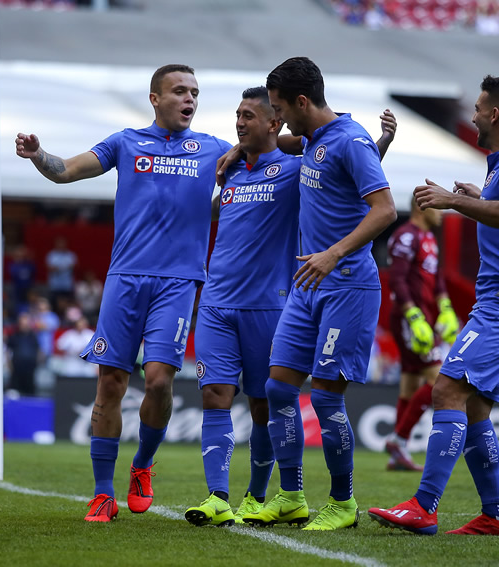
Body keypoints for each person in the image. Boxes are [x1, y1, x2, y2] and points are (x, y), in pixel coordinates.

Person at [16, 64, 232, 523]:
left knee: (158, 379)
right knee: (110, 383)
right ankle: (101, 493)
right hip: (125, 279)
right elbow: (66, 171)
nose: (189, 99)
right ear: (155, 98)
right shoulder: (126, 142)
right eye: (179, 91)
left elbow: (270, 160)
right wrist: (39, 155)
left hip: (178, 282)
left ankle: (142, 465)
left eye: (194, 92)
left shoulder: (215, 150)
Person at [184, 86, 397, 528]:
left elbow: (354, 181)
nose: (241, 122)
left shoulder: (305, 161)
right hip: (237, 299)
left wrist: (378, 148)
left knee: (301, 397)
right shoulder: (252, 162)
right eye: (238, 115)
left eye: (257, 113)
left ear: (285, 113)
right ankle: (270, 495)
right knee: (263, 391)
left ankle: (335, 501)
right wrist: (233, 152)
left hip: (316, 291)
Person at [369, 75, 499, 536]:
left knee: (447, 391)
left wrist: (454, 201)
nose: (471, 115)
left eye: (477, 107)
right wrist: (479, 197)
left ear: (495, 114)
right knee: (473, 408)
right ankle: (496, 515)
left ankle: (424, 505)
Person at [383, 195, 459, 472]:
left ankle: (397, 454)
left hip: (427, 318)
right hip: (410, 319)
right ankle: (399, 439)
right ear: (420, 207)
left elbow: (437, 278)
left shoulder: (429, 238)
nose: (441, 213)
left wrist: (446, 307)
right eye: (437, 208)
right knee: (439, 381)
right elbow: (398, 279)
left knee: (411, 384)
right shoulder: (405, 237)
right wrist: (413, 315)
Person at [6, 312, 41, 396]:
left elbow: (38, 351)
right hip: (16, 369)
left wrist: (37, 363)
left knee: (30, 392)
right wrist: (9, 365)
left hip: (30, 369)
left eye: (26, 323)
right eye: (22, 323)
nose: (24, 325)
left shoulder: (33, 336)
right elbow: (8, 352)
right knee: (14, 392)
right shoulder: (14, 336)